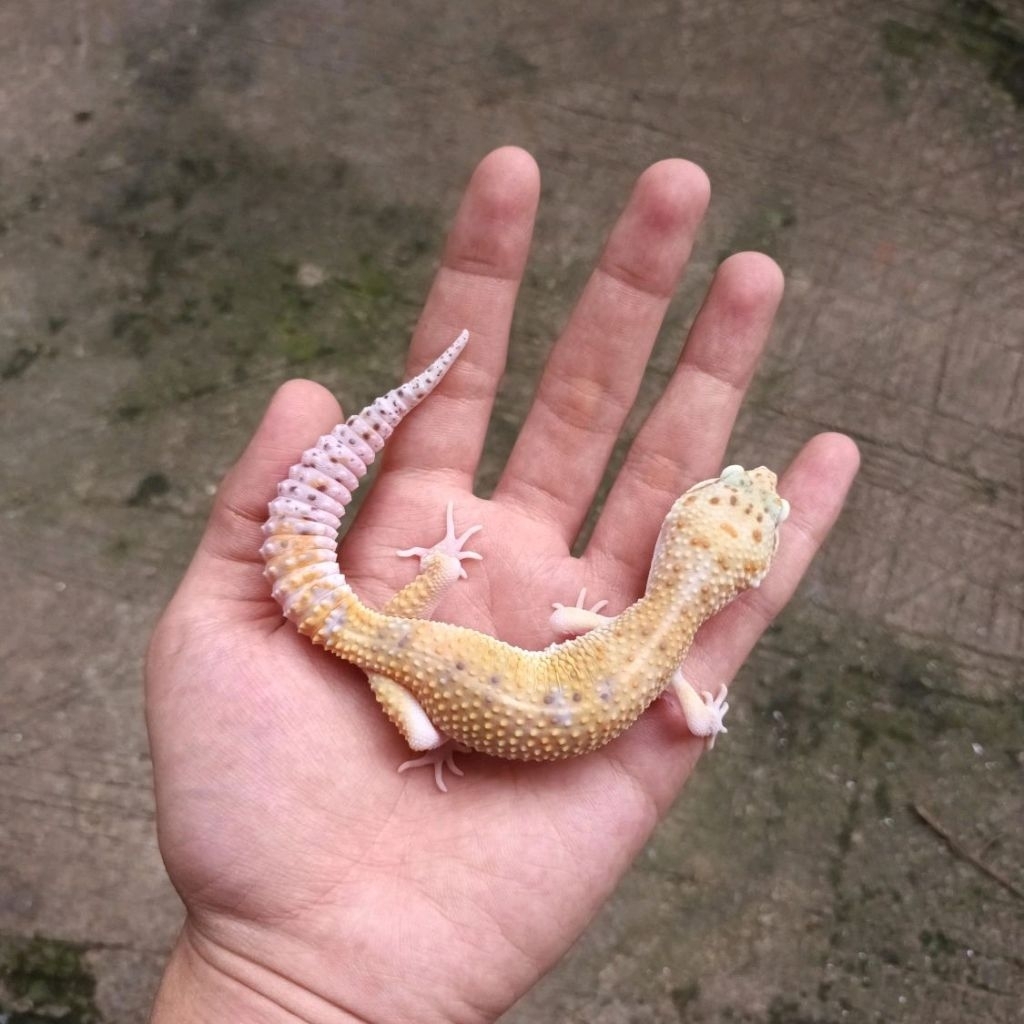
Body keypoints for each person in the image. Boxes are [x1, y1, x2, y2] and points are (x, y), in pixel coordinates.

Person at [147, 147, 858, 1022]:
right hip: (410, 680)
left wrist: (447, 578)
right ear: (729, 577)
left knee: (399, 649)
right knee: (409, 699)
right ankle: (432, 676)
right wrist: (437, 743)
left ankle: (436, 587)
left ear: (676, 531)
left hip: (409, 652)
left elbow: (573, 623)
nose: (746, 487)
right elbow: (680, 703)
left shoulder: (641, 633)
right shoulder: (664, 647)